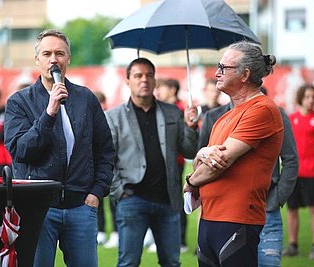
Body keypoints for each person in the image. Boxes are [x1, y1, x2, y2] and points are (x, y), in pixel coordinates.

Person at [4, 29, 115, 267]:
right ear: (37, 60)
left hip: (81, 207)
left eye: (59, 53)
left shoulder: (86, 98)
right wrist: (49, 112)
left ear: (68, 59)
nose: (53, 59)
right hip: (38, 208)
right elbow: (21, 150)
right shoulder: (19, 102)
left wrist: (96, 192)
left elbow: (105, 150)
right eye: (47, 53)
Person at [184, 41, 283, 266]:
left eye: (224, 67)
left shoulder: (262, 109)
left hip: (237, 219)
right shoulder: (222, 117)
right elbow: (202, 164)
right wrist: (201, 154)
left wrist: (191, 181)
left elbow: (219, 162)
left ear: (245, 74)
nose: (217, 72)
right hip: (210, 219)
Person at [105, 57, 199, 267]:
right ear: (128, 81)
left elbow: (189, 150)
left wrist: (191, 127)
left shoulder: (173, 112)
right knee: (128, 262)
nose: (144, 80)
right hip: (132, 199)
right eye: (138, 75)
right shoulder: (113, 117)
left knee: (172, 262)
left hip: (168, 199)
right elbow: (106, 159)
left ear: (155, 81)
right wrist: (119, 190)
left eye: (149, 75)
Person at [199, 87, 298, 267]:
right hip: (221, 212)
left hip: (265, 207)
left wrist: (276, 199)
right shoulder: (213, 116)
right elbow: (199, 160)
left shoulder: (274, 112)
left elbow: (291, 160)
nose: (219, 73)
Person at [154, 78, 188, 253]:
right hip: (162, 162)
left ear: (173, 90)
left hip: (176, 161)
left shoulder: (181, 110)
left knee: (175, 198)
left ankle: (180, 239)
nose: (159, 91)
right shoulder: (160, 109)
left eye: (163, 88)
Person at [283, 84, 314, 260]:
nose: (310, 100)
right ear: (301, 98)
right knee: (292, 210)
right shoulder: (292, 119)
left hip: (312, 173)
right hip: (294, 173)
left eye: (313, 97)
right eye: (307, 96)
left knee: (313, 211)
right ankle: (293, 244)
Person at [93, 90, 119, 248]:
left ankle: (116, 233)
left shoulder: (110, 117)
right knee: (98, 199)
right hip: (95, 166)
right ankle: (101, 231)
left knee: (113, 200)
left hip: (112, 165)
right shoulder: (91, 118)